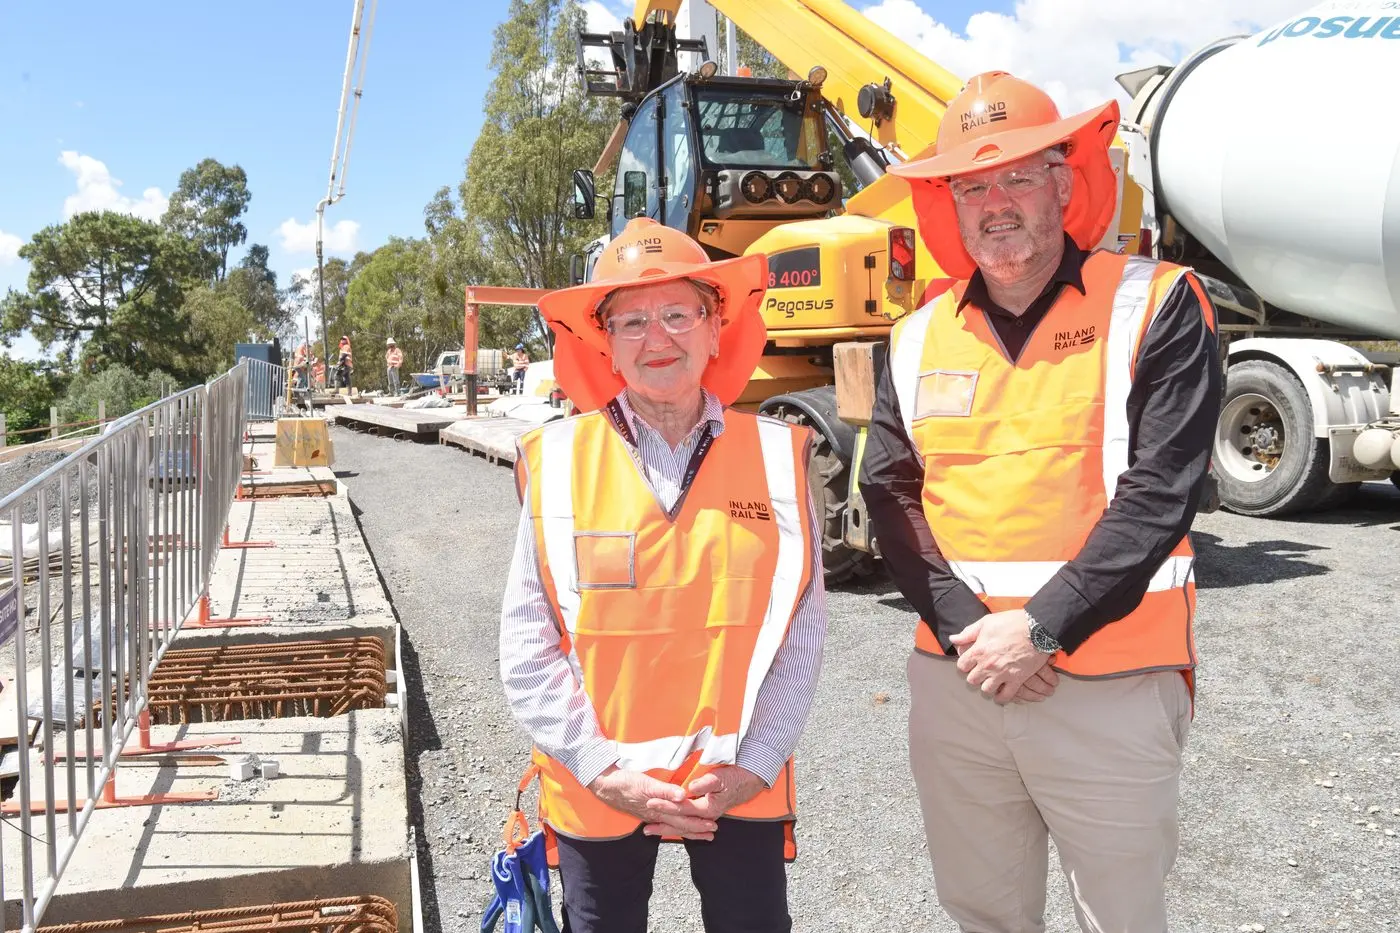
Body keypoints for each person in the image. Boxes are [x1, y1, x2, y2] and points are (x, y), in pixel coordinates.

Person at [859, 71, 1221, 932]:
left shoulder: (1155, 303)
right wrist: (964, 628)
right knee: (984, 913)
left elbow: (1159, 494)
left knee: (1121, 918)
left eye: (1017, 174)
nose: (995, 202)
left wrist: (1041, 627)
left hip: (1109, 680)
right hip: (962, 682)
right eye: (972, 184)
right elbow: (889, 490)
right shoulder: (914, 336)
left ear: (1064, 182)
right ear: (949, 204)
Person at [499, 216, 828, 933]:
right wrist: (606, 771)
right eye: (633, 319)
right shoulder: (556, 465)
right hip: (601, 786)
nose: (659, 337)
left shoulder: (778, 459)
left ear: (716, 329)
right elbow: (528, 649)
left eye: (680, 313)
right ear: (605, 345)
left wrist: (754, 762)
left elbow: (801, 636)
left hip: (737, 781)